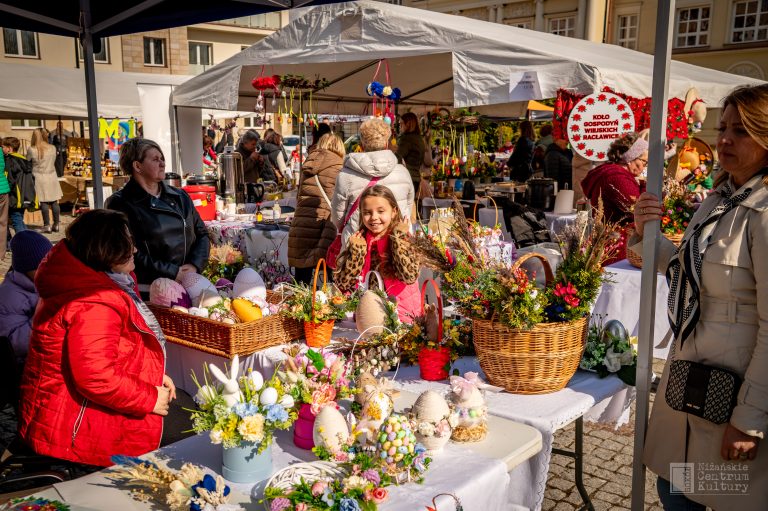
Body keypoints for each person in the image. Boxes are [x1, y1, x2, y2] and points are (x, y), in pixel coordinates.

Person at [633, 84, 768, 511]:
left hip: (733, 396)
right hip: (690, 384)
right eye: (723, 128)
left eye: (741, 131)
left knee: (724, 498)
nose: (724, 139)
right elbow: (689, 273)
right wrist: (645, 232)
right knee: (674, 491)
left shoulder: (764, 213)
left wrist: (749, 421)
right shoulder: (719, 200)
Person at [18, 209, 175, 467]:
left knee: (189, 410)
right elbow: (96, 376)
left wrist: (151, 374)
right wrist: (148, 397)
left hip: (73, 409)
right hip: (73, 426)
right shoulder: (95, 299)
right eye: (128, 243)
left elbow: (115, 350)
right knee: (192, 426)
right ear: (107, 250)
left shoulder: (98, 281)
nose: (135, 250)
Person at [105, 138, 210, 294]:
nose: (162, 163)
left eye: (162, 159)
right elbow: (125, 251)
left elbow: (202, 233)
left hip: (189, 281)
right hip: (150, 288)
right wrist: (173, 271)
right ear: (137, 166)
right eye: (155, 159)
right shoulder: (120, 203)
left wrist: (195, 265)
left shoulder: (180, 196)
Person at [333, 185, 420, 322]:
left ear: (394, 211)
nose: (374, 217)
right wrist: (356, 253)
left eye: (381, 211)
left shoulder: (403, 239)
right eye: (367, 212)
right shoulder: (360, 241)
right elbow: (343, 284)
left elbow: (409, 276)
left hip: (401, 316)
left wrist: (399, 240)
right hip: (369, 316)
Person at [331, 118, 414, 252]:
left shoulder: (345, 175)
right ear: (386, 144)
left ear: (362, 144)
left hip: (358, 246)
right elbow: (406, 211)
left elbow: (337, 217)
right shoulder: (403, 173)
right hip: (395, 245)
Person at [288, 133, 345, 285]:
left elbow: (299, 197)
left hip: (301, 226)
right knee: (330, 283)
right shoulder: (340, 168)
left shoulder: (308, 164)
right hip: (324, 226)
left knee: (301, 284)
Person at [0, 231, 52, 366]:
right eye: (42, 266)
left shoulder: (41, 283)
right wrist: (43, 314)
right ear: (26, 268)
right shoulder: (10, 296)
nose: (50, 270)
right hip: (20, 366)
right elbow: (13, 344)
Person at [580, 132, 648, 225]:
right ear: (631, 158)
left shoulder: (612, 172)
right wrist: (645, 185)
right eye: (644, 162)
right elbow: (639, 211)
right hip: (617, 233)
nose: (645, 166)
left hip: (612, 231)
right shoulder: (617, 177)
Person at [27, 128, 62, 233]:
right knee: (54, 201)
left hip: (39, 177)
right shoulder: (52, 148)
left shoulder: (32, 149)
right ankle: (56, 224)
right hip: (52, 176)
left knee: (44, 202)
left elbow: (27, 162)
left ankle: (47, 225)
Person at [3, 137, 35, 235]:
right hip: (24, 195)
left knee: (16, 219)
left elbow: (10, 180)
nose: (2, 149)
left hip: (14, 195)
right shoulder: (23, 159)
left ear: (9, 148)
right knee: (19, 219)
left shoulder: (10, 160)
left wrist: (5, 192)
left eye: (3, 147)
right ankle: (28, 239)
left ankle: (22, 241)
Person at [396, 112, 427, 194]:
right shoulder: (419, 138)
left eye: (401, 123)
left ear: (408, 124)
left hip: (407, 177)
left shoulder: (407, 139)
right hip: (415, 178)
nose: (400, 126)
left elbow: (397, 157)